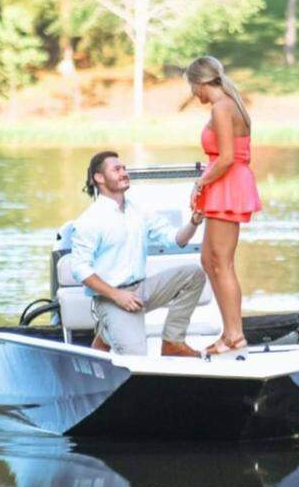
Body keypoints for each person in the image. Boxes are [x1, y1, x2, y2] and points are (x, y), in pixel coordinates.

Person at [70, 150, 207, 357]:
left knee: (194, 274)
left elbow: (176, 239)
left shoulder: (138, 210)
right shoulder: (89, 220)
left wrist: (194, 222)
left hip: (141, 291)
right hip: (110, 298)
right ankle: (108, 329)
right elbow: (80, 270)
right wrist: (117, 296)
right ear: (99, 178)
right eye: (116, 169)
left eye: (124, 168)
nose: (124, 172)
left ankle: (172, 342)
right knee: (138, 359)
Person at [185, 56, 262, 356]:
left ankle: (234, 335)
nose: (193, 94)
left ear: (201, 82)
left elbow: (228, 157)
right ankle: (228, 331)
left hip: (226, 182)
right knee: (209, 260)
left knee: (222, 261)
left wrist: (200, 183)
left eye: (193, 87)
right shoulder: (231, 104)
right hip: (226, 182)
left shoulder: (221, 107)